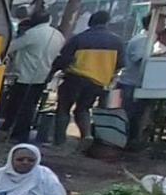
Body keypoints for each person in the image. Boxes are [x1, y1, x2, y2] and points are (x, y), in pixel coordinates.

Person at [52, 9, 124, 143]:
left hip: (74, 78)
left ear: (90, 22)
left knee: (63, 108)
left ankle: (59, 140)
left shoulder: (78, 38)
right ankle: (87, 135)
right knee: (84, 108)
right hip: (97, 82)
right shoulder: (117, 42)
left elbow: (63, 59)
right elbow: (120, 64)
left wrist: (52, 73)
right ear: (107, 23)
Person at [0, 4, 64, 144]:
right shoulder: (58, 35)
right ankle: (17, 132)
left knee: (20, 106)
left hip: (26, 76)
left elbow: (9, 48)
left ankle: (17, 134)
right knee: (30, 106)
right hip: (43, 76)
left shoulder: (32, 34)